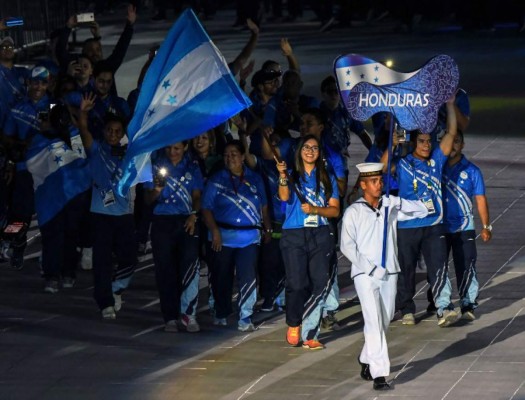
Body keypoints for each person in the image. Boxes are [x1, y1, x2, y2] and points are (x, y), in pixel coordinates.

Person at [340, 162, 428, 391]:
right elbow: (347, 247)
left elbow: (423, 210)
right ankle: (379, 374)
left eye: (380, 181)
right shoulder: (354, 212)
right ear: (363, 185)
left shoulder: (389, 206)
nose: (379, 185)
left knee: (385, 319)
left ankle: (365, 357)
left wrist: (397, 202)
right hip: (365, 274)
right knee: (374, 321)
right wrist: (369, 268)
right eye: (374, 182)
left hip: (390, 270)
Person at [380, 99, 459, 327]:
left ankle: (444, 307)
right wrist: (391, 145)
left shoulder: (436, 161)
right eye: (422, 141)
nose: (426, 145)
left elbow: (452, 132)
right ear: (414, 142)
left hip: (434, 224)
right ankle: (406, 309)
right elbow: (383, 168)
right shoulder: (403, 163)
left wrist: (450, 105)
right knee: (406, 270)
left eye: (429, 141)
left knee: (439, 265)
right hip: (407, 226)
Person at [275, 134, 340, 350]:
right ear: (299, 151)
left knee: (319, 283)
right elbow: (284, 197)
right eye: (306, 147)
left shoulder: (327, 177)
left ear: (320, 152)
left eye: (314, 147)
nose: (310, 151)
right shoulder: (292, 175)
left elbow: (334, 209)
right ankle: (294, 323)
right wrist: (282, 176)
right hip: (294, 234)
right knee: (297, 283)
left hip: (320, 233)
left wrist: (315, 210)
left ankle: (311, 333)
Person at [78, 93, 137, 320]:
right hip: (100, 215)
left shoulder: (129, 154)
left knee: (129, 258)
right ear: (104, 131)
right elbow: (83, 131)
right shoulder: (96, 149)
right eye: (109, 131)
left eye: (117, 132)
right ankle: (105, 302)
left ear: (122, 134)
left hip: (124, 214)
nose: (113, 135)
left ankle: (117, 288)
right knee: (102, 261)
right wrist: (83, 111)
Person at [201, 140, 271, 331]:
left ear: (242, 157)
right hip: (222, 238)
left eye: (233, 154)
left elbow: (264, 206)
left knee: (247, 276)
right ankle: (221, 312)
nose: (229, 158)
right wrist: (214, 231)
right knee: (221, 276)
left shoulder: (255, 179)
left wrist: (268, 228)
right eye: (226, 154)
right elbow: (206, 208)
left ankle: (245, 316)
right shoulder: (217, 179)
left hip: (249, 238)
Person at [144, 142, 204, 333]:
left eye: (177, 148)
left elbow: (197, 195)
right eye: (169, 148)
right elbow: (147, 200)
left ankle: (189, 314)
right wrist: (157, 190)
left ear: (185, 147)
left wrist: (194, 214)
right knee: (165, 270)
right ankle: (169, 317)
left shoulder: (192, 166)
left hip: (187, 221)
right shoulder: (155, 166)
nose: (172, 152)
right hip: (162, 222)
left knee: (189, 268)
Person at [442, 130, 492, 320]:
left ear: (462, 145)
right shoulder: (437, 167)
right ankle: (442, 304)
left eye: (457, 142)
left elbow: (480, 199)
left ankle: (468, 303)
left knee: (466, 264)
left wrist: (486, 226)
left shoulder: (472, 171)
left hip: (464, 227)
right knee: (439, 266)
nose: (453, 145)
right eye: (449, 141)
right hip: (439, 227)